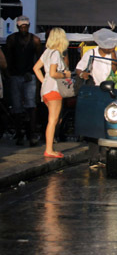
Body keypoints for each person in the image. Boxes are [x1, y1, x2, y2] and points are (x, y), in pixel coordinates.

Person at [2, 16, 43, 146]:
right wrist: (8, 74)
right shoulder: (12, 39)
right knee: (17, 107)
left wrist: (36, 75)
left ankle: (31, 135)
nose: (23, 28)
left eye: (25, 26)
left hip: (29, 75)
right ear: (18, 27)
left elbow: (38, 58)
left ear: (29, 26)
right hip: (16, 75)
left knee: (30, 106)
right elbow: (8, 58)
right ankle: (20, 134)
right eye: (21, 26)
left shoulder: (35, 40)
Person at [32, 28, 71, 159]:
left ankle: (50, 147)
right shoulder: (55, 53)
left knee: (54, 119)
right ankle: (49, 149)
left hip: (46, 89)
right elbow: (54, 73)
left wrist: (44, 82)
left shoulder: (47, 52)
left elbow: (36, 68)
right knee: (53, 120)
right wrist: (65, 74)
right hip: (54, 88)